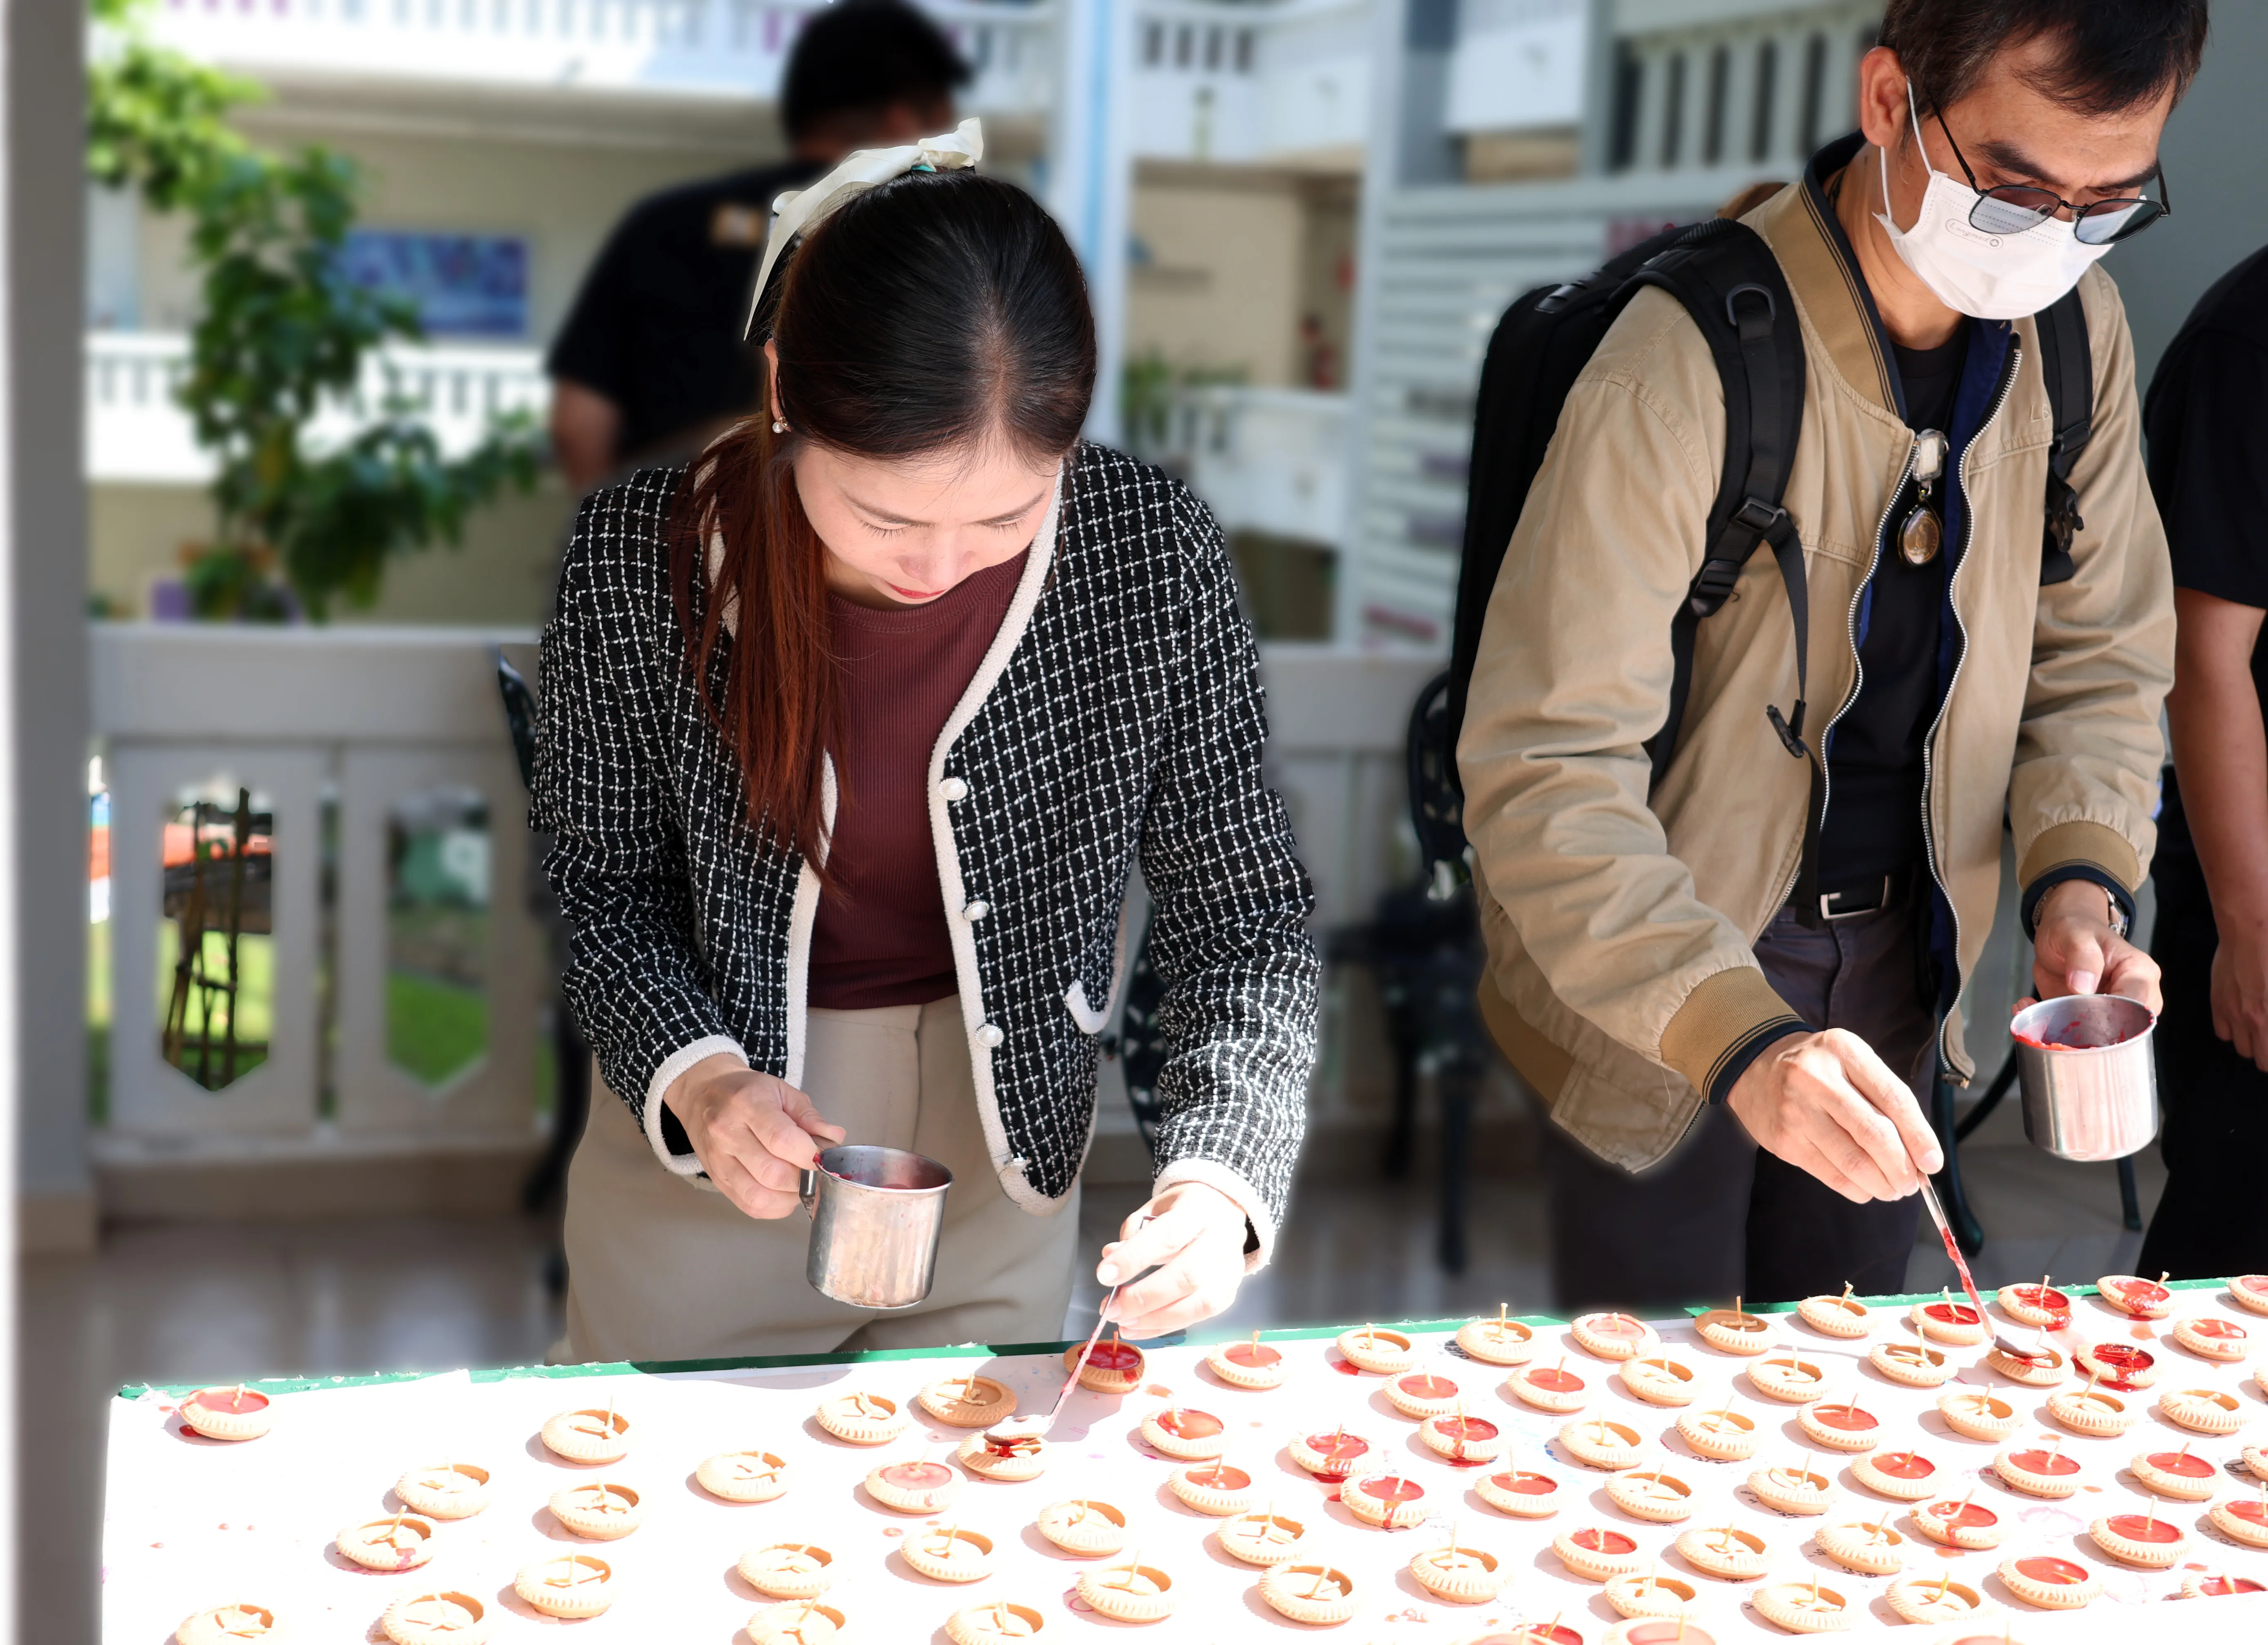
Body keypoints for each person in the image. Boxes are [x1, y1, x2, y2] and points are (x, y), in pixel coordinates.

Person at [530, 123, 1319, 1364]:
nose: (940, 566)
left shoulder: (1147, 551)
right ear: (786, 389)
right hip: (722, 1149)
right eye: (884, 514)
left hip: (999, 1155)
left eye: (1008, 513)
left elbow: (1244, 912)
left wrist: (1221, 1177)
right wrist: (697, 1080)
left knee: (967, 1539)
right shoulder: (641, 553)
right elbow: (600, 884)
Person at [1458, 0, 2200, 1309]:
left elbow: (2099, 657)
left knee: (1843, 1392)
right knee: (1632, 1442)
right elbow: (1544, 765)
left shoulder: (2071, 342)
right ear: (1886, 104)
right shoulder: (1685, 360)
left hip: (1900, 975)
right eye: (2017, 188)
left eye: (2105, 203)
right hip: (1657, 978)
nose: (2054, 241)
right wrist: (1736, 1042)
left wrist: (2077, 886)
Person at [545, 0, 971, 491]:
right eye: (943, 118)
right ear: (901, 120)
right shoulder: (919, 237)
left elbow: (577, 422)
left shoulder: (661, 226)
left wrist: (626, 531)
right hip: (843, 538)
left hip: (672, 519)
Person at [2136, 240, 2268, 1280]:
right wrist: (2250, 928)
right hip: (2257, 880)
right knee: (2227, 1264)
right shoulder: (2248, 343)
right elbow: (2203, 656)